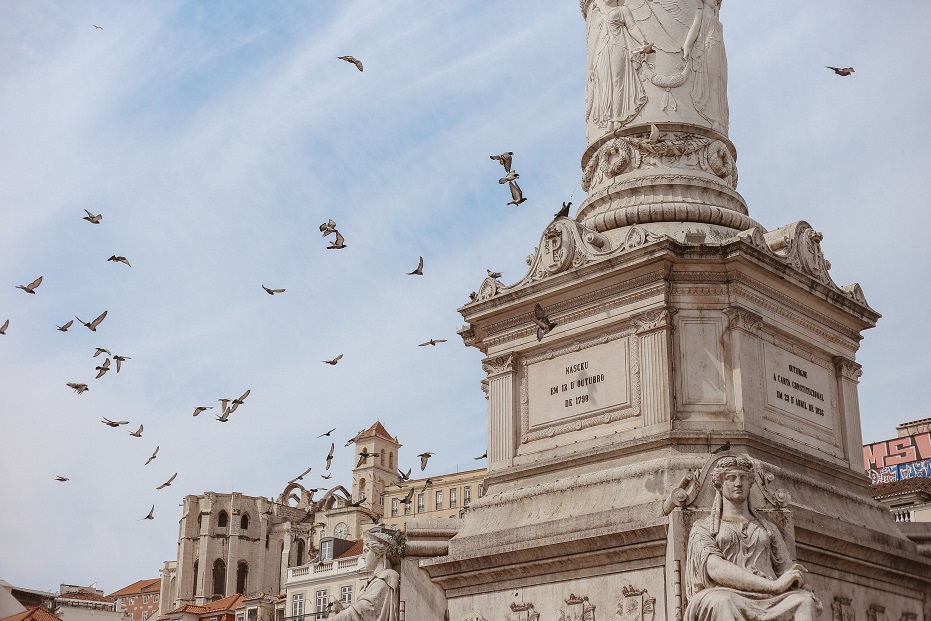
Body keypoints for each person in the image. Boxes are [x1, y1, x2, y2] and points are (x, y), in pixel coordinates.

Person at [684, 457, 822, 621]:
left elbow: (786, 568)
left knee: (804, 601)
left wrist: (800, 583)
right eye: (731, 478)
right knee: (722, 602)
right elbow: (716, 569)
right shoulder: (703, 527)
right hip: (724, 591)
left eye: (743, 477)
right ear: (719, 484)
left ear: (751, 483)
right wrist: (774, 585)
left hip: (770, 596)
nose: (738, 483)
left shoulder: (768, 528)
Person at [587, 0, 648, 131]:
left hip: (618, 46)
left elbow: (632, 27)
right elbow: (596, 41)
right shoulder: (600, 14)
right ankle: (609, 118)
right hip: (602, 51)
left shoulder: (622, 10)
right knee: (605, 85)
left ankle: (617, 117)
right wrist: (591, 66)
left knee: (617, 81)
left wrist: (643, 42)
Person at [327, 530, 399, 621]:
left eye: (366, 551)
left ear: (378, 553)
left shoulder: (384, 579)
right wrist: (347, 607)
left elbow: (365, 610)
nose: (363, 556)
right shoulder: (375, 580)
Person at [683, 0, 729, 131]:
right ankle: (714, 119)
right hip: (708, 48)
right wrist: (687, 46)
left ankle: (718, 120)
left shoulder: (715, 17)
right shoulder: (701, 12)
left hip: (718, 51)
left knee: (718, 84)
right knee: (712, 83)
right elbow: (694, 29)